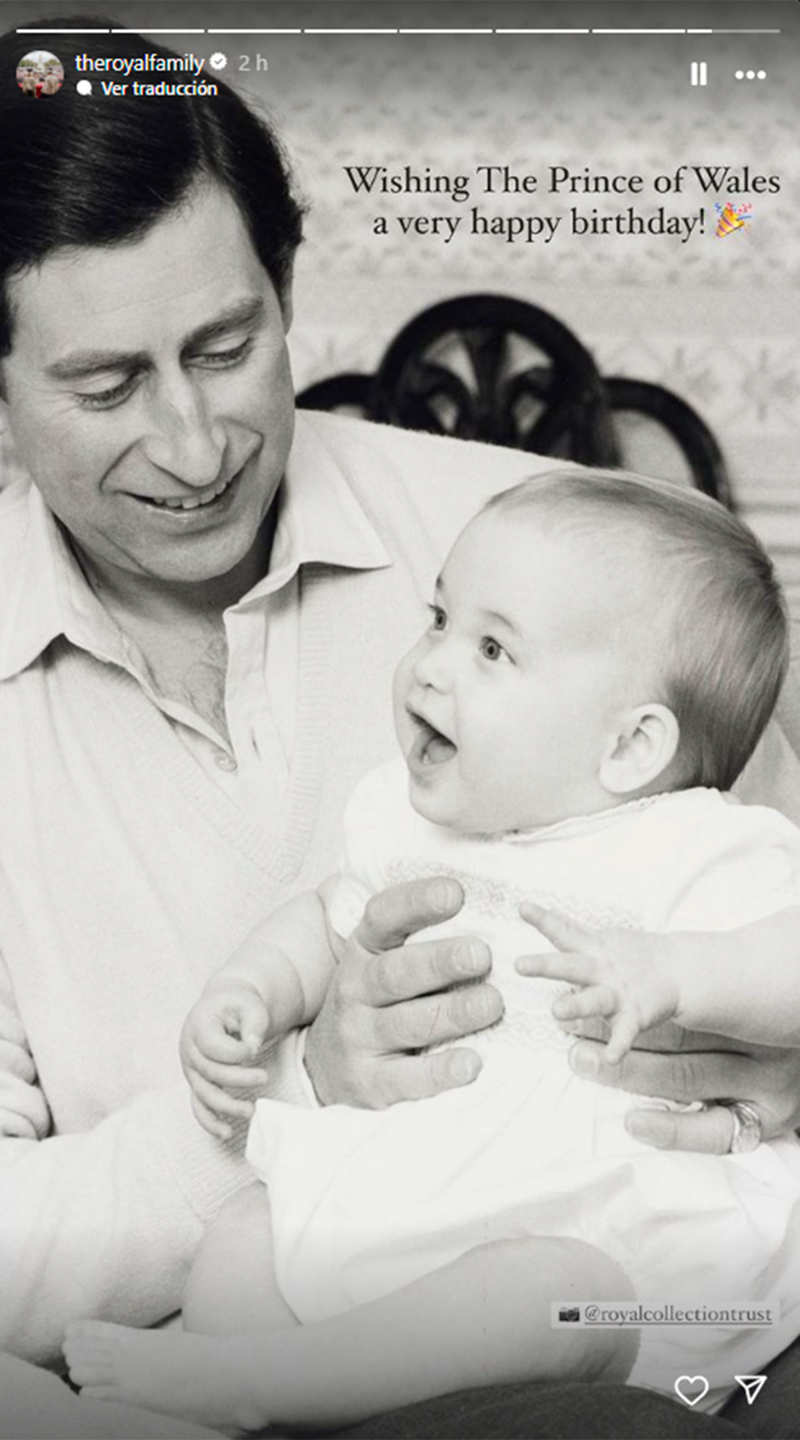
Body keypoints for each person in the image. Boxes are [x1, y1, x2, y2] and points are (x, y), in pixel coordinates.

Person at [1, 16, 800, 1438]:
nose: (194, 449)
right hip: (197, 1363)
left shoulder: (556, 554)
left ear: (288, 293)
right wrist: (293, 1086)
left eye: (229, 347)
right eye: (107, 386)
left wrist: (767, 1053)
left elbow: (758, 898)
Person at [65, 472, 800, 1431]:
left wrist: (676, 974)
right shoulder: (409, 822)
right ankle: (233, 1395)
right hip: (417, 1217)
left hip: (641, 1281)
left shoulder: (694, 847)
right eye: (439, 617)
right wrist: (252, 988)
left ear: (631, 749)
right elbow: (329, 916)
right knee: (245, 1244)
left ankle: (259, 1387)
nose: (429, 665)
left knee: (548, 1288)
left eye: (492, 648)